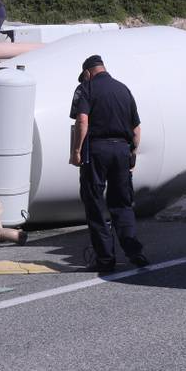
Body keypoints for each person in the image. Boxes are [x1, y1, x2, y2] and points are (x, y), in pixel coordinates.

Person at [69, 55, 147, 273]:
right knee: (122, 203)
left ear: (87, 73)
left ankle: (105, 258)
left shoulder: (86, 88)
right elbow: (136, 130)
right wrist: (131, 153)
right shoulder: (124, 89)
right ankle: (134, 251)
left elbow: (82, 121)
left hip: (97, 151)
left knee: (94, 203)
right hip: (121, 150)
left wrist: (76, 151)